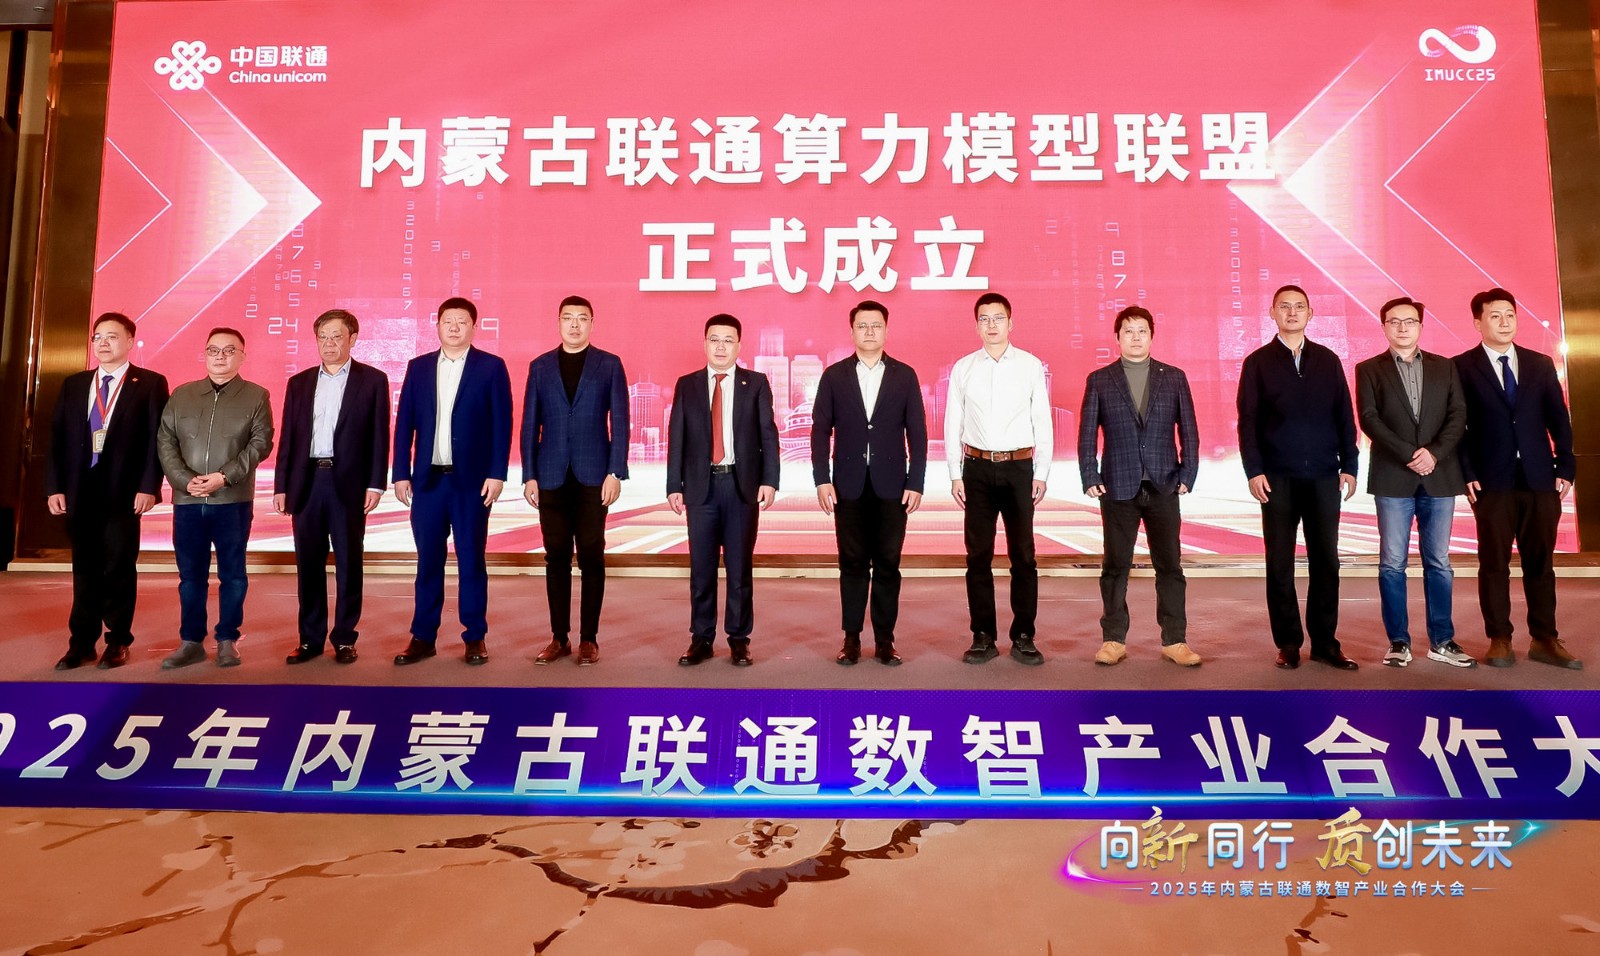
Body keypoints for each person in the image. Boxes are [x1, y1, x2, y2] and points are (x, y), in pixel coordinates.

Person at [1452, 288, 1580, 669]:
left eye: (1510, 314)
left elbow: (1558, 419)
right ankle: (1500, 638)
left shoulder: (1539, 364)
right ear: (1478, 322)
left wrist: (1566, 466)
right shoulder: (1461, 367)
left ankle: (1545, 638)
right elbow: (1457, 427)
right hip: (1491, 481)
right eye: (1495, 316)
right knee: (1494, 562)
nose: (1505, 322)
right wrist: (1466, 472)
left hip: (1540, 478)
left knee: (1540, 561)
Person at [1237, 285, 1360, 670]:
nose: (1292, 313)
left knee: (1327, 562)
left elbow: (1345, 416)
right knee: (1279, 563)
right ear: (1272, 313)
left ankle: (1325, 643)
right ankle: (1288, 643)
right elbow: (1248, 422)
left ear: (1310, 314)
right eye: (1284, 307)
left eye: (1299, 307)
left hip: (1324, 476)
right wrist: (1254, 470)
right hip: (1277, 479)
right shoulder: (1257, 363)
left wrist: (1350, 465)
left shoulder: (1328, 360)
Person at [45, 312, 170, 670]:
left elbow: (157, 440)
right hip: (79, 492)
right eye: (98, 336)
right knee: (84, 568)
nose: (103, 343)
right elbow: (56, 439)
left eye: (112, 336)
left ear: (130, 341)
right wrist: (54, 487)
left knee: (118, 567)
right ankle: (81, 643)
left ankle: (117, 641)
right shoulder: (74, 384)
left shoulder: (149, 383)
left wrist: (149, 486)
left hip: (123, 493)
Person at [391, 297, 512, 666]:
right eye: (448, 321)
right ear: (438, 325)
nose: (455, 327)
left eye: (462, 321)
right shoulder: (418, 368)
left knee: (471, 560)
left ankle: (474, 636)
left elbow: (502, 424)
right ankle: (422, 637)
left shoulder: (491, 367)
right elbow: (404, 424)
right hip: (428, 483)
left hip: (471, 484)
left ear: (473, 326)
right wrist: (400, 473)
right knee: (428, 561)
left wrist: (497, 473)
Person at [1077, 305, 1200, 667]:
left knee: (1170, 566)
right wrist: (1090, 475)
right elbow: (1087, 434)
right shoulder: (1100, 380)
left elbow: (1189, 430)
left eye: (1142, 331)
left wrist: (1188, 473)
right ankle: (1113, 639)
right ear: (1117, 337)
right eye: (1128, 331)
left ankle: (1175, 640)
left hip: (1164, 484)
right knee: (1115, 566)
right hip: (1117, 486)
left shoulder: (1174, 377)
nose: (1135, 337)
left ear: (1151, 336)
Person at [1355, 296, 1471, 668]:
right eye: (1394, 321)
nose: (1402, 327)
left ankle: (1442, 640)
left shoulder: (1445, 367)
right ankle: (1398, 642)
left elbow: (1458, 415)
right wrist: (1410, 453)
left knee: (1439, 562)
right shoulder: (1368, 369)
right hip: (1393, 477)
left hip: (1439, 474)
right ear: (1384, 326)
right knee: (1392, 563)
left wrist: (1433, 453)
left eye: (1410, 321)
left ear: (1421, 326)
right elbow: (1369, 418)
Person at [811, 299, 927, 666]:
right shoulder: (834, 376)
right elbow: (819, 431)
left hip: (893, 487)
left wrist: (916, 481)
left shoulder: (904, 376)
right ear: (852, 332)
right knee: (852, 563)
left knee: (889, 563)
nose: (869, 331)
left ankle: (885, 640)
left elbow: (918, 433)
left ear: (886, 330)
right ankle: (851, 638)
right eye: (862, 325)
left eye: (876, 325)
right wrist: (821, 480)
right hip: (848, 486)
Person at [272, 309, 391, 665]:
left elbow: (379, 436)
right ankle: (310, 639)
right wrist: (281, 486)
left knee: (349, 563)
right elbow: (289, 438)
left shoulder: (373, 380)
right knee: (308, 564)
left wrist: (376, 484)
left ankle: (344, 638)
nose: (329, 344)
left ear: (352, 339)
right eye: (323, 337)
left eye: (336, 336)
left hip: (348, 483)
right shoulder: (300, 382)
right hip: (306, 482)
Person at [155, 327, 275, 668]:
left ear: (242, 356)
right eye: (213, 350)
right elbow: (165, 442)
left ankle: (227, 639)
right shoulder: (182, 395)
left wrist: (224, 477)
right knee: (190, 577)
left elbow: (260, 444)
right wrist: (184, 481)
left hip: (232, 501)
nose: (220, 356)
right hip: (188, 501)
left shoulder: (256, 396)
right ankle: (191, 641)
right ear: (204, 354)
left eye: (228, 350)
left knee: (232, 575)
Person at [520, 295, 630, 666]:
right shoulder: (540, 366)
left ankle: (589, 639)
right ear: (558, 322)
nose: (574, 325)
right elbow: (529, 424)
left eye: (582, 318)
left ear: (592, 323)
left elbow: (621, 422)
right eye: (568, 318)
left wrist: (615, 472)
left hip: (594, 476)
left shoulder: (609, 364)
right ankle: (559, 638)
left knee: (592, 556)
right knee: (556, 558)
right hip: (550, 475)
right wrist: (529, 475)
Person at [945, 292, 1052, 666]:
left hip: (1019, 468)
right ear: (976, 325)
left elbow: (1042, 420)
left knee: (1023, 555)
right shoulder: (964, 368)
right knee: (978, 556)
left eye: (998, 318)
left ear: (1011, 322)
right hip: (975, 469)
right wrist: (954, 473)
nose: (991, 325)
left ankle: (1024, 636)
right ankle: (982, 636)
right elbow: (953, 422)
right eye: (984, 319)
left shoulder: (1030, 366)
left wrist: (1042, 472)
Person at [667, 314, 779, 667]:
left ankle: (739, 639)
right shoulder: (687, 385)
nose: (721, 346)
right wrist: (673, 485)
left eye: (728, 340)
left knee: (739, 568)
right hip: (700, 489)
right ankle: (701, 639)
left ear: (739, 346)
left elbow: (768, 435)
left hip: (740, 487)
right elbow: (677, 437)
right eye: (714, 339)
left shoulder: (755, 383)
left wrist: (770, 480)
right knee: (701, 569)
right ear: (705, 343)